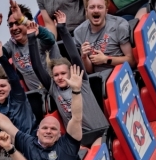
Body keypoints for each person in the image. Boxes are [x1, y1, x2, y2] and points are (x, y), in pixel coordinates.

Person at [28, 12, 111, 145]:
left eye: (63, 73)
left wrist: (62, 28)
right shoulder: (53, 88)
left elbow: (75, 56)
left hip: (100, 133)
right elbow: (37, 67)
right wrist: (31, 38)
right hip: (78, 140)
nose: (60, 77)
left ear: (70, 73)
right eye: (56, 75)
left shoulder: (80, 79)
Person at [0, 1, 60, 119]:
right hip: (38, 99)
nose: (14, 28)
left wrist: (23, 20)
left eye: (18, 23)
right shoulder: (12, 45)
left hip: (59, 89)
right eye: (11, 25)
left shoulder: (40, 35)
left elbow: (51, 39)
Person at [74, 0, 133, 77]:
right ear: (86, 11)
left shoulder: (119, 25)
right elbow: (90, 71)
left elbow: (131, 61)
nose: (96, 10)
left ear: (106, 11)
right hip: (98, 78)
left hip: (120, 73)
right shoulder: (79, 32)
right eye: (92, 7)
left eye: (100, 7)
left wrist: (106, 59)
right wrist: (84, 57)